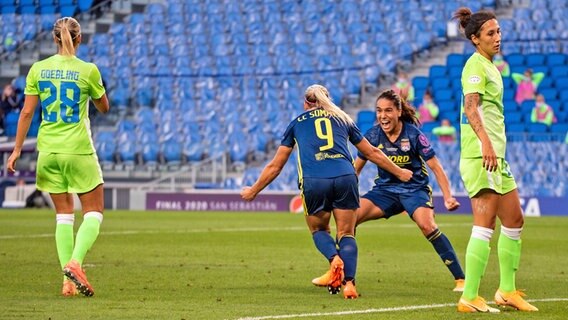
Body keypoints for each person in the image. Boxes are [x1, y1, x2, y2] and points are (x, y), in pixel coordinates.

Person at [240, 84, 413, 299]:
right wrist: (399, 172)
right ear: (327, 101)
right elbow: (371, 152)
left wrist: (254, 190)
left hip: (314, 181)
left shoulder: (296, 124)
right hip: (345, 177)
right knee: (347, 233)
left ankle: (334, 260)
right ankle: (349, 285)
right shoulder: (343, 118)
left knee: (320, 231)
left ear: (306, 103)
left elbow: (276, 165)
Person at [312, 89, 464, 292]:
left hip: (414, 190)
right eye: (379, 111)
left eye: (388, 111)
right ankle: (340, 275)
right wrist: (343, 191)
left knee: (427, 226)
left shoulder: (413, 135)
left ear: (399, 112)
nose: (383, 116)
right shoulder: (373, 135)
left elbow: (435, 166)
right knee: (349, 220)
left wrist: (448, 197)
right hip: (384, 191)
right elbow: (356, 168)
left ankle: (460, 279)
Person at [6, 17, 110, 297]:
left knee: (64, 216)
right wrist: (96, 91)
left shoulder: (38, 69)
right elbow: (104, 107)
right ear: (80, 39)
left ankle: (67, 282)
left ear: (54, 39)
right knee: (94, 212)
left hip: (48, 152)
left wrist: (16, 149)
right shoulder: (88, 70)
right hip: (77, 150)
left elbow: (26, 113)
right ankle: (75, 263)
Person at [453, 7, 538, 313]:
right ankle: (470, 296)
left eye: (498, 31)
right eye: (490, 33)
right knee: (485, 223)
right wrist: (486, 143)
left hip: (496, 157)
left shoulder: (491, 66)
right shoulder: (475, 65)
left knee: (514, 219)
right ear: (476, 39)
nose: (497, 37)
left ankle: (506, 291)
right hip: (481, 155)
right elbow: (470, 106)